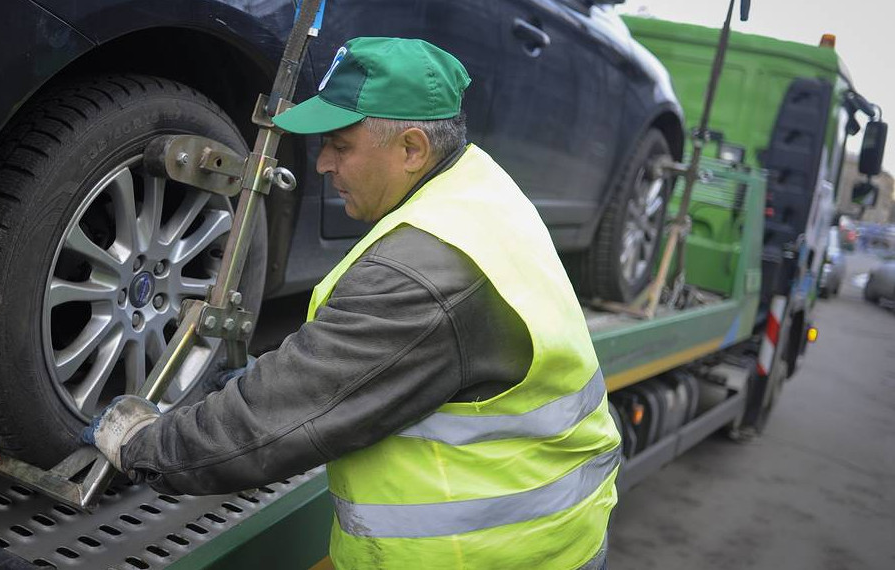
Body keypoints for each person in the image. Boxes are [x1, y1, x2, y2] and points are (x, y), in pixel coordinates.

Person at [83, 36, 621, 569]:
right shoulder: (475, 188)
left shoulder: (420, 274)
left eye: (340, 145)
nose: (321, 164)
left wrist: (143, 446)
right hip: (547, 536)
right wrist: (269, 376)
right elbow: (355, 366)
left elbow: (273, 424)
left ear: (412, 149)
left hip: (485, 556)